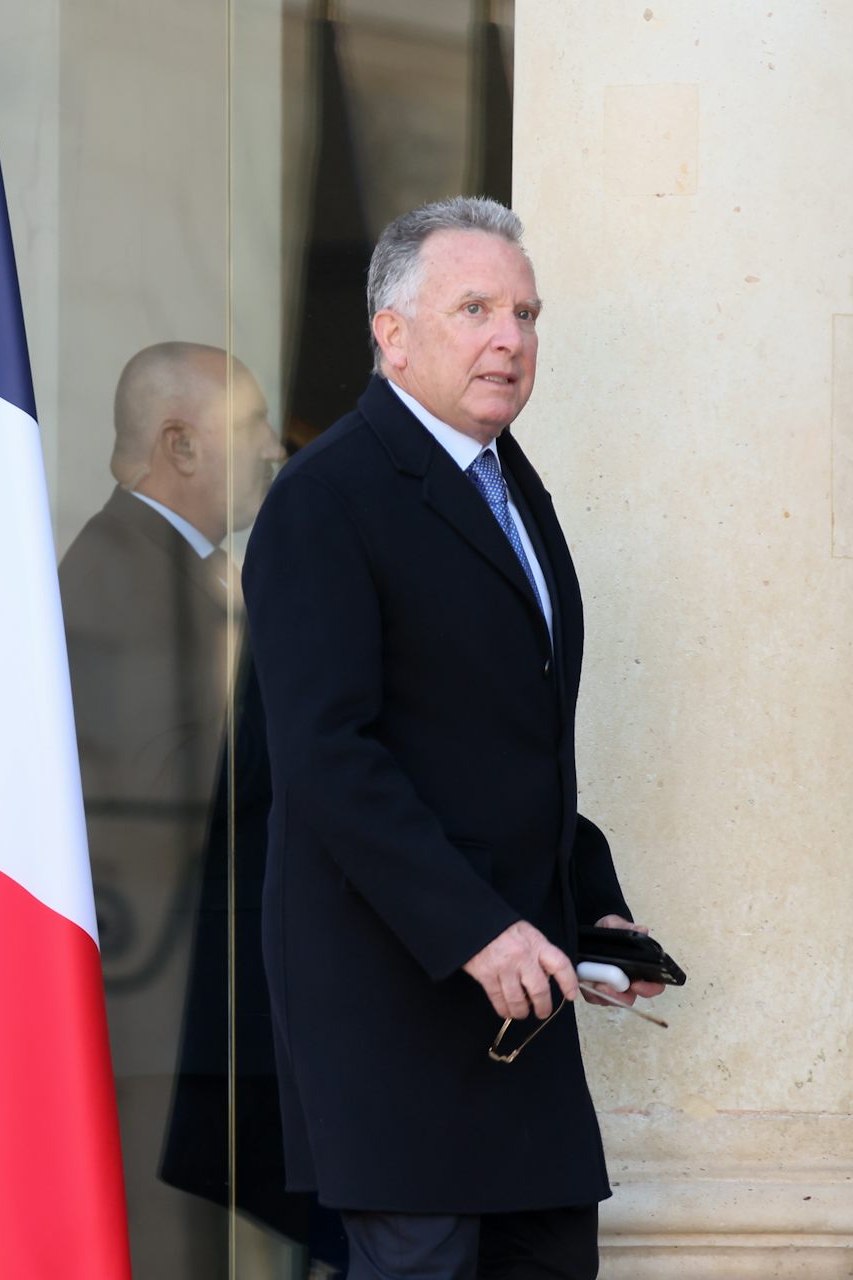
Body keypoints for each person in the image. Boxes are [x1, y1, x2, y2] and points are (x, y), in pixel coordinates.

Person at [239, 196, 662, 1279]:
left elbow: (508, 742)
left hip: (523, 1009)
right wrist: (479, 929)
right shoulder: (326, 496)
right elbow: (329, 759)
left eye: (526, 313)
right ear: (392, 333)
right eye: (475, 308)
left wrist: (593, 904)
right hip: (393, 1006)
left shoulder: (511, 484)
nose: (509, 338)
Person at [58, 343, 286, 1276]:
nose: (273, 447)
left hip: (188, 1019)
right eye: (251, 426)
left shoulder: (176, 568)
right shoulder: (121, 575)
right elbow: (171, 791)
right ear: (180, 445)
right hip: (160, 1028)